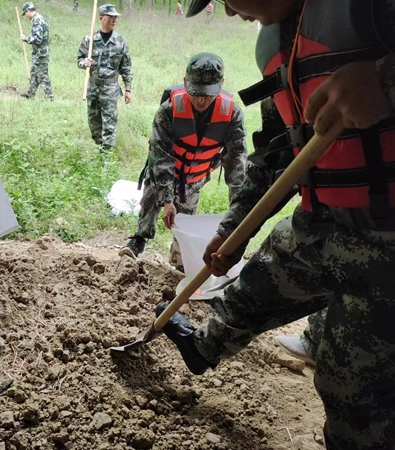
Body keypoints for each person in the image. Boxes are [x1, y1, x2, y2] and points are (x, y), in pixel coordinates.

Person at [156, 0, 395, 449]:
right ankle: (201, 349)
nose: (228, 12)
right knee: (256, 288)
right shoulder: (276, 47)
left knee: (352, 394)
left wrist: (383, 79)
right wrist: (233, 229)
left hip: (388, 241)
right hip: (321, 220)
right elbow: (274, 159)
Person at [118, 53, 247, 271]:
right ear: (186, 82)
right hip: (165, 170)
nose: (201, 100)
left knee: (184, 221)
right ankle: (139, 240)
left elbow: (237, 163)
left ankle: (178, 261)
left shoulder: (231, 114)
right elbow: (160, 157)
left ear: (220, 85)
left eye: (207, 95)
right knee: (151, 200)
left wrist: (238, 209)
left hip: (195, 176)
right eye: (196, 93)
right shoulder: (168, 110)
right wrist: (167, 199)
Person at [77, 4, 133, 151]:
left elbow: (126, 67)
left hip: (110, 90)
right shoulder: (89, 40)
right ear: (101, 18)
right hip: (93, 88)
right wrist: (84, 62)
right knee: (94, 124)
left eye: (115, 18)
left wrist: (128, 89)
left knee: (109, 124)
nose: (113, 21)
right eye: (110, 18)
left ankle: (106, 158)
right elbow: (79, 59)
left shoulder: (120, 41)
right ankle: (99, 148)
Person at [20, 2, 54, 101]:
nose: (26, 16)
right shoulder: (39, 18)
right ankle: (30, 94)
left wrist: (25, 38)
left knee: (42, 75)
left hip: (41, 53)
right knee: (34, 73)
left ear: (28, 11)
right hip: (39, 52)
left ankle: (50, 97)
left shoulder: (37, 21)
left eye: (25, 13)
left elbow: (38, 39)